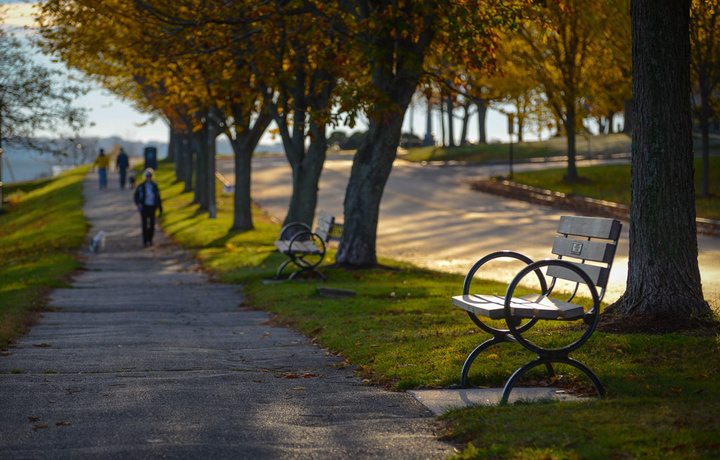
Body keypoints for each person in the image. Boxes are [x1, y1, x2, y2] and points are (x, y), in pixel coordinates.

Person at [133, 168, 163, 247]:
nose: (149, 177)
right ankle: (145, 240)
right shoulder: (141, 186)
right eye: (147, 176)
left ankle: (150, 239)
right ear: (145, 176)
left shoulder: (154, 186)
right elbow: (136, 196)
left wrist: (160, 208)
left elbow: (158, 197)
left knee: (152, 224)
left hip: (152, 207)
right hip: (144, 207)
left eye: (150, 176)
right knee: (144, 224)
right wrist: (138, 204)